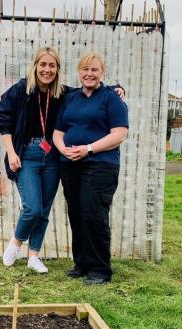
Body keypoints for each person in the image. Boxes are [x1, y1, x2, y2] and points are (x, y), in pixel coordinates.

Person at [0, 47, 123, 274]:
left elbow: (90, 86)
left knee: (44, 209)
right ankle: (16, 243)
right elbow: (4, 121)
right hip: (27, 155)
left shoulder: (62, 93)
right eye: (42, 65)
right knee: (32, 208)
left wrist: (115, 88)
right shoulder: (20, 90)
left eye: (51, 66)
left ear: (58, 69)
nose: (47, 70)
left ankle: (34, 256)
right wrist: (11, 152)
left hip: (53, 156)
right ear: (35, 66)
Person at [53, 52, 129, 285]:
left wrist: (88, 149)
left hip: (100, 165)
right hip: (71, 165)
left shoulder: (111, 98)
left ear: (102, 72)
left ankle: (100, 270)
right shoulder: (71, 98)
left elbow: (119, 134)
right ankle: (82, 263)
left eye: (94, 70)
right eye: (85, 69)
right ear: (79, 72)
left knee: (94, 215)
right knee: (76, 214)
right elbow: (58, 132)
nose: (89, 74)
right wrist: (63, 150)